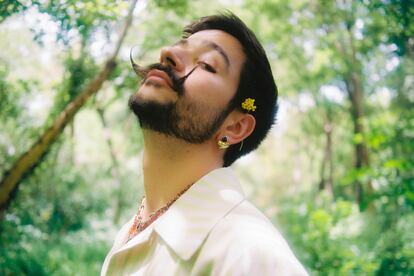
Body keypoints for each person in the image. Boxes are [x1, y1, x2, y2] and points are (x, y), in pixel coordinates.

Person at [101, 12, 308, 275]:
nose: (167, 53)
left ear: (235, 127)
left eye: (207, 64)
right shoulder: (133, 231)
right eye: (178, 48)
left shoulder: (250, 254)